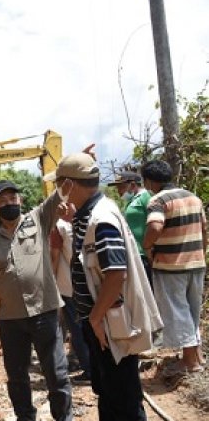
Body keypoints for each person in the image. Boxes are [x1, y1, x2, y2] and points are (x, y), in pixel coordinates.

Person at [45, 153, 162, 421]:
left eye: (58, 184)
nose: (57, 190)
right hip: (101, 322)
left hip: (109, 323)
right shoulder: (90, 214)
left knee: (122, 397)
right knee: (110, 392)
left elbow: (115, 274)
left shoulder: (101, 220)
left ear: (70, 185)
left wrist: (96, 318)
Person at [0, 180, 73, 421]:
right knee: (17, 376)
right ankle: (25, 417)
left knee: (56, 373)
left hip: (45, 311)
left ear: (19, 200)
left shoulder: (39, 219)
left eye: (12, 198)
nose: (8, 203)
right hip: (11, 317)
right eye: (2, 200)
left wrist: (72, 169)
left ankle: (64, 417)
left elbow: (58, 194)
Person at [141, 160, 207, 375]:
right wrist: (201, 253)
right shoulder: (192, 197)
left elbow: (155, 225)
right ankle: (197, 356)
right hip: (196, 261)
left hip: (172, 266)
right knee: (192, 310)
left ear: (149, 181)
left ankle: (190, 362)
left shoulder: (158, 200)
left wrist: (147, 245)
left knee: (178, 311)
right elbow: (204, 229)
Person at [49, 217, 91, 384]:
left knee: (77, 329)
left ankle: (89, 370)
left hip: (69, 285)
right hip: (89, 284)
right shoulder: (87, 220)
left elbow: (55, 258)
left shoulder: (59, 227)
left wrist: (51, 284)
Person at [108, 171, 152, 285]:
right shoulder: (131, 201)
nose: (119, 192)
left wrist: (150, 252)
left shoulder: (146, 197)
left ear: (132, 185)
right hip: (134, 254)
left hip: (145, 255)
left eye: (121, 187)